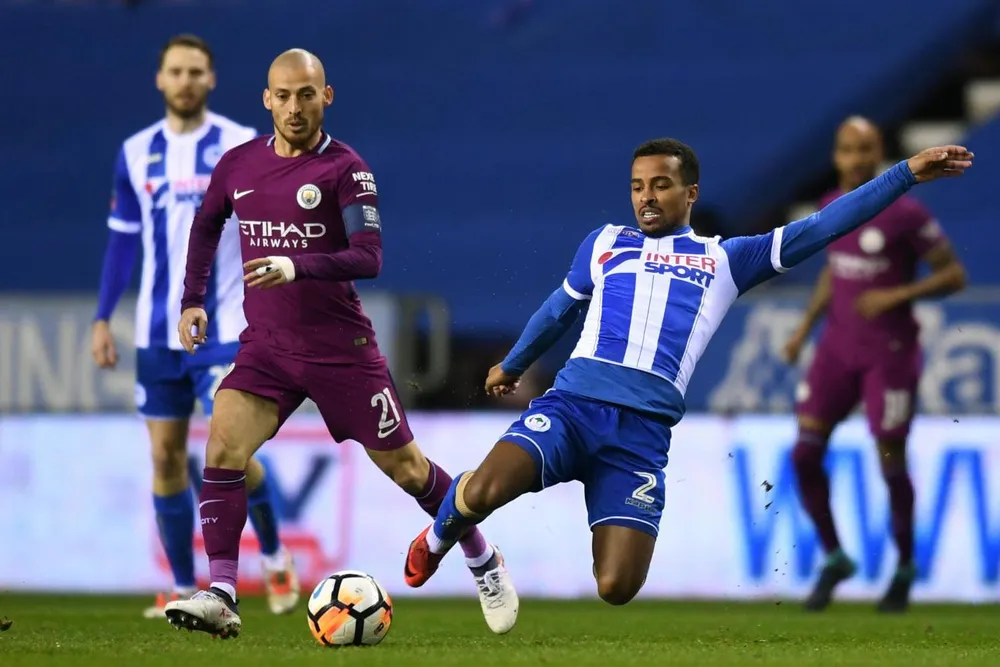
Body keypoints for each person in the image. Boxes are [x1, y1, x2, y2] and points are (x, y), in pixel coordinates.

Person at [402, 137, 973, 609]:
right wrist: (516, 363)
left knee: (617, 587)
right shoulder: (605, 243)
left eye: (660, 185)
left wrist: (906, 174)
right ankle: (440, 539)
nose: (645, 198)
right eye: (636, 186)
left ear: (690, 192)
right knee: (483, 490)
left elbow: (823, 227)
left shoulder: (727, 259)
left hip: (641, 438)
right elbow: (560, 307)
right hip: (571, 408)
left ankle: (500, 532)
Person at [163, 48, 518, 640]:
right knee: (222, 443)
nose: (295, 107)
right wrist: (192, 300)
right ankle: (222, 592)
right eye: (284, 95)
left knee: (408, 471)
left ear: (326, 97)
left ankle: (482, 556)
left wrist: (294, 266)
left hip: (340, 350)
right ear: (266, 100)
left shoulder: (346, 170)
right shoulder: (237, 165)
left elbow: (368, 257)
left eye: (308, 94)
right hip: (269, 348)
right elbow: (206, 226)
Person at [90, 34, 298, 619]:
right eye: (175, 71)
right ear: (160, 80)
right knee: (165, 459)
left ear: (211, 79)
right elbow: (122, 242)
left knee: (231, 445)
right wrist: (102, 317)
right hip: (155, 335)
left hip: (226, 325)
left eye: (195, 71)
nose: (185, 80)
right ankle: (183, 586)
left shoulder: (240, 146)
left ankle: (276, 554)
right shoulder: (134, 153)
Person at [782, 117, 967, 613]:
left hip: (891, 352)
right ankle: (835, 557)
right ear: (837, 156)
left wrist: (897, 295)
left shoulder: (906, 214)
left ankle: (905, 566)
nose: (857, 159)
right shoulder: (829, 208)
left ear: (879, 153)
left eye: (866, 149)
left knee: (889, 461)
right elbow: (832, 272)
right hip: (836, 349)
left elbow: (954, 274)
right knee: (803, 455)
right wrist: (803, 330)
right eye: (847, 149)